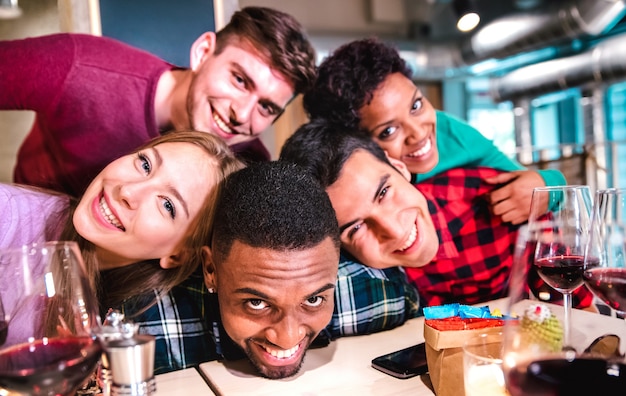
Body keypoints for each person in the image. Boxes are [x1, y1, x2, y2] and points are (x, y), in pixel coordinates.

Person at [279, 120, 594, 337]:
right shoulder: (341, 275)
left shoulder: (494, 200)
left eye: (384, 192)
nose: (393, 229)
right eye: (356, 228)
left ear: (400, 167)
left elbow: (581, 316)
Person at [0, 6, 316, 196]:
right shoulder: (80, 66)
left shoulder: (251, 166)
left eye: (266, 107)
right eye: (239, 80)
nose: (242, 113)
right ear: (203, 52)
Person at [0, 131, 243, 367]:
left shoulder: (149, 314)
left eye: (167, 205)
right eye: (145, 164)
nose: (128, 191)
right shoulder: (6, 214)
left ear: (178, 255)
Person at [302, 38, 565, 225]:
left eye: (416, 105)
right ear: (354, 144)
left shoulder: (448, 131)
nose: (419, 133)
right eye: (389, 130)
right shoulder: (342, 179)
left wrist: (546, 186)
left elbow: (546, 185)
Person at [199, 161, 340, 379]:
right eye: (256, 303)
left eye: (313, 300)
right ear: (210, 271)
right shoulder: (148, 330)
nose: (287, 338)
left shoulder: (376, 292)